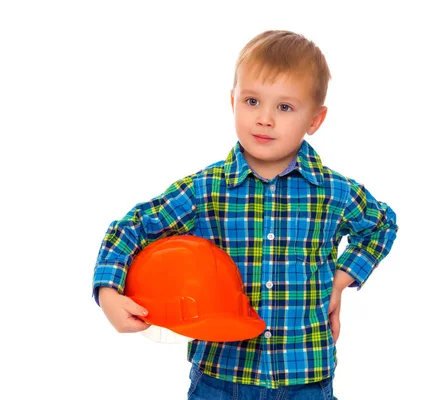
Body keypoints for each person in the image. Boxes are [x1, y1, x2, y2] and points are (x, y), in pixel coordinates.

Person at [91, 30, 398, 399]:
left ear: (315, 120)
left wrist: (340, 279)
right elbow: (131, 228)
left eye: (284, 107)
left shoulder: (334, 192)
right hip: (220, 377)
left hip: (305, 377)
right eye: (252, 101)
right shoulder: (205, 189)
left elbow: (381, 224)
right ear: (232, 101)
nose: (264, 119)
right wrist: (108, 291)